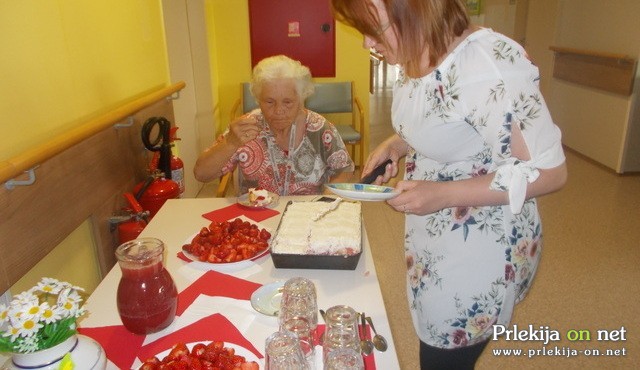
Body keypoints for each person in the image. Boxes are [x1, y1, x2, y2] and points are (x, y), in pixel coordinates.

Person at [331, 0, 567, 369]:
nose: (366, 44)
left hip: (481, 248)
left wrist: (442, 194)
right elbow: (447, 115)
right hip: (438, 237)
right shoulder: (419, 51)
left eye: (373, 30)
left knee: (444, 358)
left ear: (414, 9)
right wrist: (398, 142)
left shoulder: (488, 64)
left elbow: (550, 171)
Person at [194, 55, 354, 195]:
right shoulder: (245, 127)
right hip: (256, 218)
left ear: (301, 97)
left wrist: (329, 195)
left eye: (288, 102)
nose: (278, 111)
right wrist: (230, 143)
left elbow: (344, 169)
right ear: (258, 98)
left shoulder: (319, 128)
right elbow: (201, 174)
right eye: (269, 101)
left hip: (306, 215)